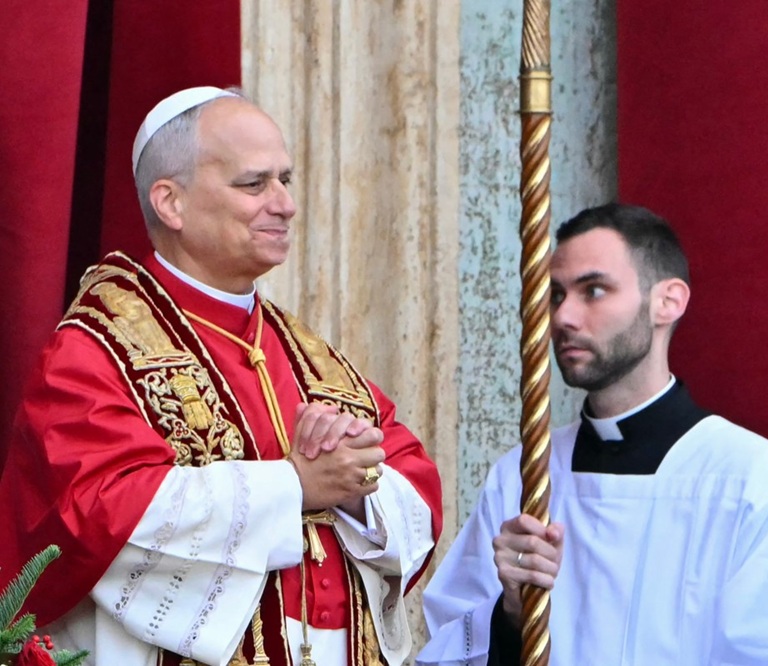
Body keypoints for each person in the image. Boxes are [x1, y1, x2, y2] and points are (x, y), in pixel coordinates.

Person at [0, 86, 443, 666]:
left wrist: (358, 480)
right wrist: (295, 486)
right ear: (171, 203)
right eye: (254, 184)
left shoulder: (307, 356)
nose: (285, 204)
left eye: (286, 179)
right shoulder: (95, 351)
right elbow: (95, 515)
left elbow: (415, 481)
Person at [417, 203, 768, 665]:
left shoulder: (751, 479)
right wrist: (511, 616)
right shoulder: (521, 476)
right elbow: (449, 643)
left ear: (667, 301)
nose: (563, 317)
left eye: (593, 290)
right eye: (556, 295)